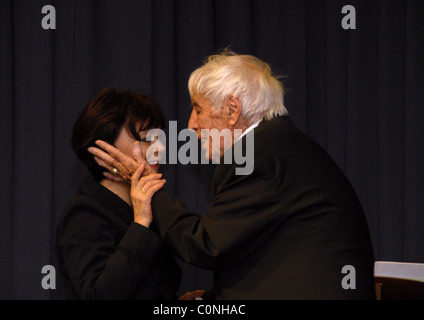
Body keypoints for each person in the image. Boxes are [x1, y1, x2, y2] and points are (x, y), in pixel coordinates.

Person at [89, 51, 376, 299]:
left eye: (198, 109)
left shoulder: (258, 155)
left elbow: (205, 246)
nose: (190, 126)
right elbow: (262, 257)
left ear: (232, 110)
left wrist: (147, 184)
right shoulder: (279, 145)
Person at [55, 88, 185, 300]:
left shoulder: (146, 205)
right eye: (146, 138)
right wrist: (141, 223)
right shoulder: (84, 213)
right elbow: (99, 295)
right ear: (104, 148)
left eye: (159, 137)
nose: (159, 148)